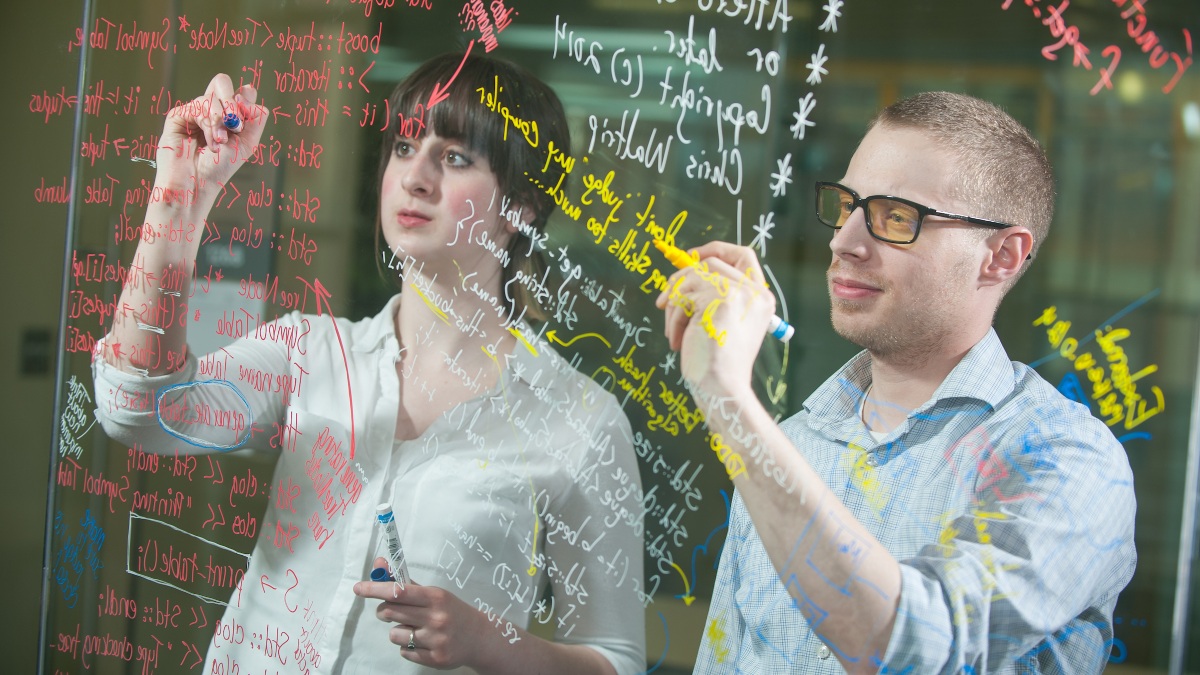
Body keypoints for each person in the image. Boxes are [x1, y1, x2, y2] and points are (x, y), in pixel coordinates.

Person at [92, 53, 646, 674]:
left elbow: (615, 662)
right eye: (406, 146)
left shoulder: (581, 422)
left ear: (522, 208)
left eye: (456, 157)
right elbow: (136, 410)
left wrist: (489, 642)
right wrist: (179, 199)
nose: (416, 177)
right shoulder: (310, 353)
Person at [657, 92, 1136, 673]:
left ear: (1001, 257)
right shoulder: (799, 442)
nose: (844, 242)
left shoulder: (1068, 459)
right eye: (846, 206)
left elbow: (913, 647)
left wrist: (726, 392)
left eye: (897, 218)